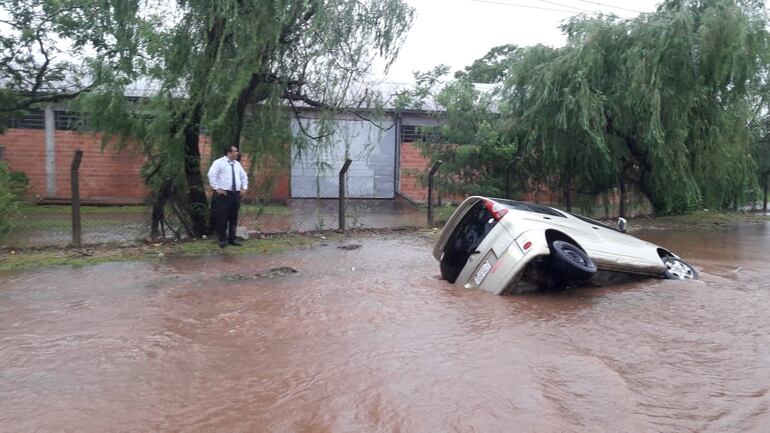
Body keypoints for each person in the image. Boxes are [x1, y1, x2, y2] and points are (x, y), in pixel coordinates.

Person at [207, 145, 248, 248]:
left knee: (233, 217)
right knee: (223, 217)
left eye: (237, 151)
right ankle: (222, 239)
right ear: (229, 153)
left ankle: (232, 239)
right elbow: (211, 175)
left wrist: (244, 187)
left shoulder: (237, 164)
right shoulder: (219, 163)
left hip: (236, 194)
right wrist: (217, 188)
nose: (237, 153)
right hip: (225, 194)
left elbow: (243, 176)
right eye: (235, 151)